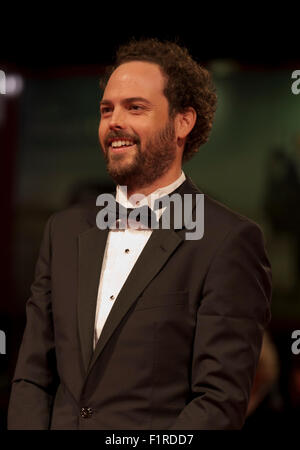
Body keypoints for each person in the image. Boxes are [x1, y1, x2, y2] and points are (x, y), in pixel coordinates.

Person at [7, 38, 272, 430]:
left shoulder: (228, 241)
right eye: (106, 109)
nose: (115, 121)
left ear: (183, 121)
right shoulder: (62, 232)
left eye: (135, 108)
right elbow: (32, 376)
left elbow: (218, 403)